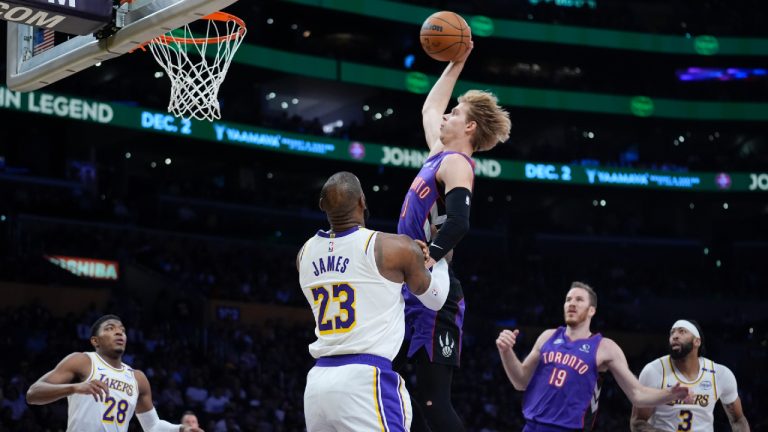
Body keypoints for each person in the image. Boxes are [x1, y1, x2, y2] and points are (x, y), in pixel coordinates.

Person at [395, 38, 512, 432]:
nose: (444, 115)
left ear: (470, 126)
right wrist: (456, 63)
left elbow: (460, 222)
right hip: (410, 280)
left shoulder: (458, 164)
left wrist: (431, 255)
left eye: (455, 113)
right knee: (396, 385)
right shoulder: (436, 155)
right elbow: (428, 107)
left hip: (434, 285)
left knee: (434, 402)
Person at [297, 171, 451, 432]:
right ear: (362, 202)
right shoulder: (393, 248)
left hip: (318, 385)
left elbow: (353, 275)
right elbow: (435, 300)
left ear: (322, 206)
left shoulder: (304, 253)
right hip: (364, 380)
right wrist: (442, 262)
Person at [496, 282, 692, 432]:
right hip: (531, 427)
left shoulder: (605, 348)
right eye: (568, 299)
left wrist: (671, 394)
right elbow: (520, 382)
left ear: (592, 310)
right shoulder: (547, 336)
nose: (571, 304)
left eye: (579, 300)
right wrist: (506, 351)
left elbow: (637, 394)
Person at [26, 314, 203, 432]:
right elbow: (33, 394)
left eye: (122, 330)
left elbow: (152, 426)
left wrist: (180, 429)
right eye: (110, 328)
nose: (119, 332)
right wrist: (75, 388)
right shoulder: (82, 361)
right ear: (95, 341)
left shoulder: (137, 378)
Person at [630, 319, 750, 432]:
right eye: (672, 333)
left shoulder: (720, 374)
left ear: (697, 341)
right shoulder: (653, 371)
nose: (674, 336)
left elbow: (738, 420)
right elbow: (637, 422)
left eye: (682, 331)